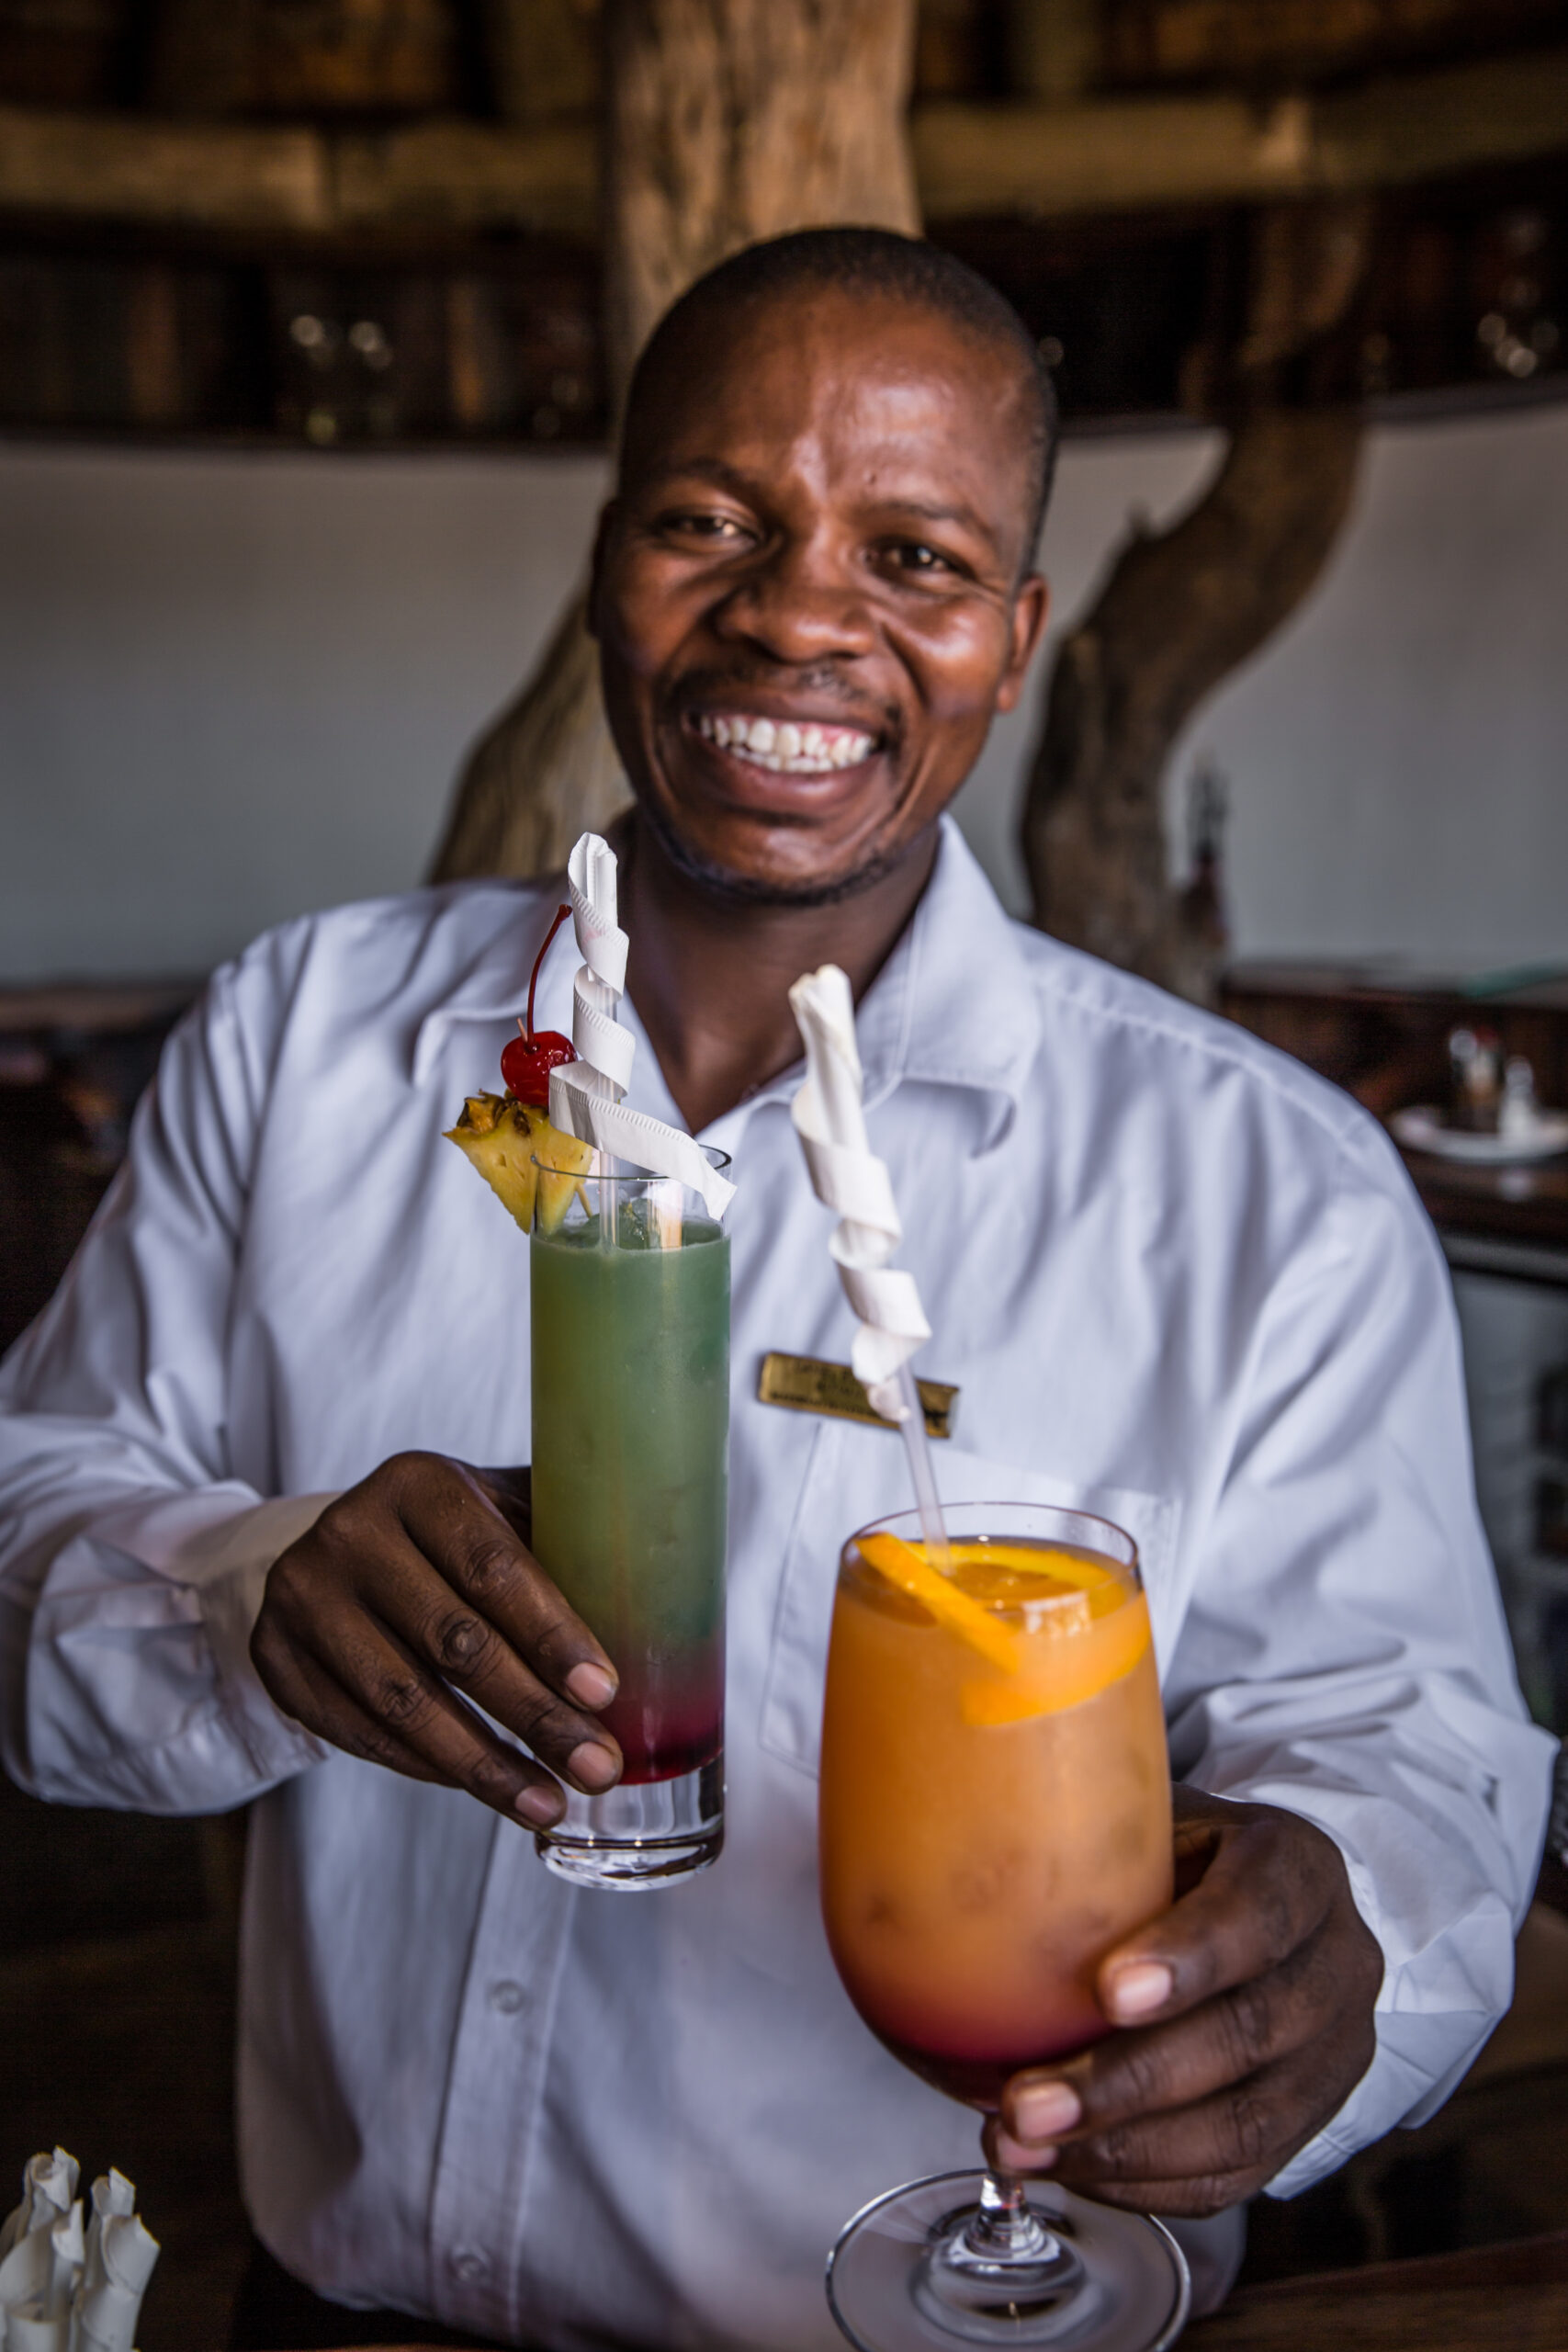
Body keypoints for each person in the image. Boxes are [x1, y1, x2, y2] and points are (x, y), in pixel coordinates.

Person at [0, 229, 1552, 2352]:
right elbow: (29, 1527)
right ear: (604, 562)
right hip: (341, 2313)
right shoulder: (304, 1041)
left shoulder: (1261, 1187)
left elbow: (1405, 1747)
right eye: (710, 520)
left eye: (912, 556)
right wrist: (245, 1589)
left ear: (1013, 639)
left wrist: (1345, 1933)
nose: (800, 612)